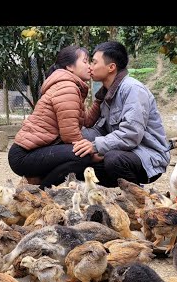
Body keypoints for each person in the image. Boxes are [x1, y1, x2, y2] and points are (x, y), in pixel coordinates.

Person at [73, 41, 171, 187]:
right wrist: (80, 137)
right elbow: (102, 128)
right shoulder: (107, 93)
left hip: (147, 155)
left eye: (94, 62)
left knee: (113, 159)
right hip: (127, 150)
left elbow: (131, 134)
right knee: (82, 162)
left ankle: (137, 196)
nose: (90, 67)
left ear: (111, 67)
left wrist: (95, 146)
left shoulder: (133, 89)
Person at [8, 45, 101, 189]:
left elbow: (87, 121)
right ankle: (42, 192)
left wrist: (100, 99)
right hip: (24, 156)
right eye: (85, 61)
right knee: (83, 156)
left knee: (82, 152)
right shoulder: (67, 87)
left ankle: (36, 183)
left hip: (32, 152)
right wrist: (92, 152)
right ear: (70, 66)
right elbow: (70, 136)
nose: (89, 66)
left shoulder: (71, 87)